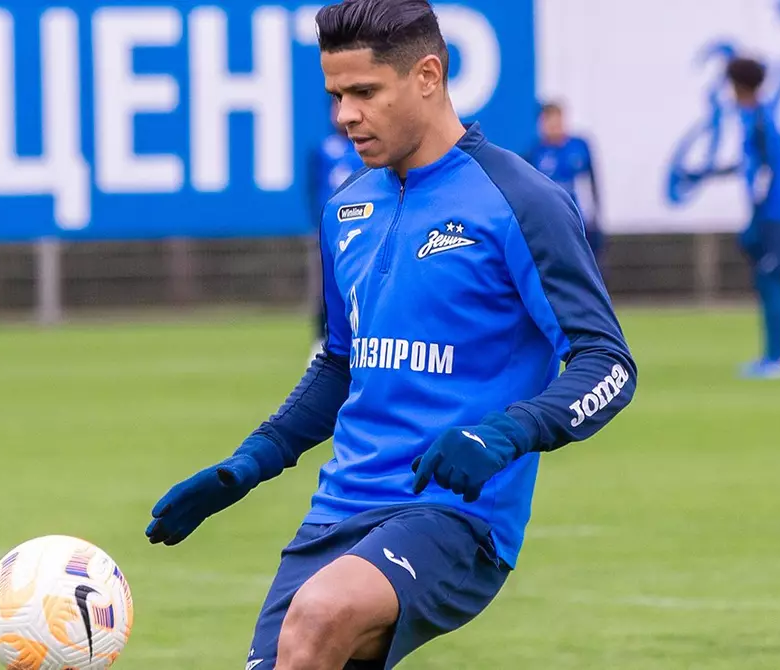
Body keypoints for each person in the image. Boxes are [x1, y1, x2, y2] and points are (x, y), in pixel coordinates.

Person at [145, 1, 637, 668]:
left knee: (319, 619)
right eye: (336, 95)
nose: (345, 115)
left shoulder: (523, 202)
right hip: (337, 511)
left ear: (427, 76)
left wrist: (504, 434)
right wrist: (249, 464)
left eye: (364, 92)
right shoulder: (346, 207)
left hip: (454, 514)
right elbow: (341, 364)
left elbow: (607, 364)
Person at [681, 57, 780, 379]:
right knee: (765, 281)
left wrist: (757, 218)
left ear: (740, 86)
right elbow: (751, 167)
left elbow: (766, 173)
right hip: (767, 214)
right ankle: (771, 356)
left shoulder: (760, 121)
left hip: (773, 216)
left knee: (772, 281)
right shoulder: (754, 118)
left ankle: (777, 359)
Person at [308, 99, 365, 361]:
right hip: (330, 234)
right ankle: (322, 340)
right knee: (323, 287)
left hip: (363, 233)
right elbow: (314, 190)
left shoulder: (368, 150)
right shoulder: (324, 150)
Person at [525, 102, 605, 265]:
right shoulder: (536, 153)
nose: (554, 127)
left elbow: (591, 180)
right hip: (551, 221)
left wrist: (596, 212)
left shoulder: (579, 146)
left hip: (580, 218)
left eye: (557, 121)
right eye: (549, 122)